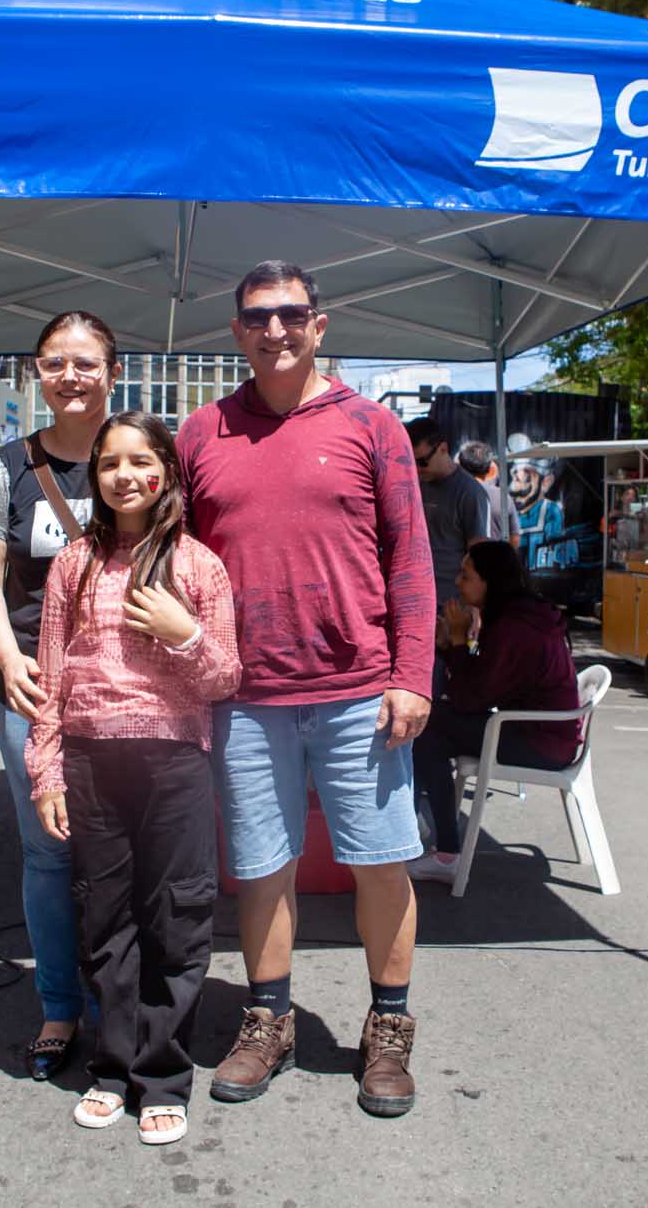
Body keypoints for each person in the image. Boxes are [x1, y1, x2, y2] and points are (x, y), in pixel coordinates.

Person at [178, 260, 435, 1120]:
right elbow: (177, 562)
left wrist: (412, 675)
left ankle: (389, 1027)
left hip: (360, 689)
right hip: (245, 694)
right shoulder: (201, 432)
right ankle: (269, 1018)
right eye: (258, 316)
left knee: (380, 863)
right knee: (261, 868)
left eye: (292, 314)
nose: (275, 330)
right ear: (236, 331)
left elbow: (410, 560)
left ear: (320, 325)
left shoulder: (372, 426)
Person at [28, 412, 240, 1146]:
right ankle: (112, 1068)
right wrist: (46, 771)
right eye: (109, 463)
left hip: (175, 761)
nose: (124, 475)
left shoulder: (199, 566)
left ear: (167, 473)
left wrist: (184, 634)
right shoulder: (74, 563)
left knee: (176, 918)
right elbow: (50, 678)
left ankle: (163, 1075)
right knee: (104, 919)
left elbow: (224, 677)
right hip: (90, 762)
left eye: (140, 460)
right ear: (94, 477)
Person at [0, 312, 118, 1079]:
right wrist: (5, 657)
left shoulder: (139, 453)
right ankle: (60, 1006)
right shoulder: (11, 465)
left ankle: (121, 1001)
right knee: (49, 853)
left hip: (127, 691)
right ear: (37, 373)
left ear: (111, 371)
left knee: (122, 851)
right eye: (55, 362)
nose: (70, 376)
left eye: (85, 362)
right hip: (33, 689)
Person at [409, 542, 580, 884]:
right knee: (431, 732)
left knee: (426, 725)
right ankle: (434, 839)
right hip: (538, 732)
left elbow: (469, 698)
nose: (457, 582)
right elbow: (483, 681)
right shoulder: (518, 614)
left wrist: (458, 641)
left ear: (490, 581)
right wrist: (450, 645)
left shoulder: (515, 627)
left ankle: (442, 848)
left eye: (466, 575)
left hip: (539, 742)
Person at [408, 418, 494, 606]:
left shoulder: (470, 492)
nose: (417, 469)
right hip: (414, 599)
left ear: (443, 448)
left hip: (451, 606)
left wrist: (474, 609)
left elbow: (479, 557)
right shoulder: (414, 485)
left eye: (422, 462)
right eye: (411, 462)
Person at [455, 440, 519, 552]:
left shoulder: (455, 495)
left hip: (464, 561)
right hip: (496, 560)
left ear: (461, 466)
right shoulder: (503, 497)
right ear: (490, 468)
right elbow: (515, 538)